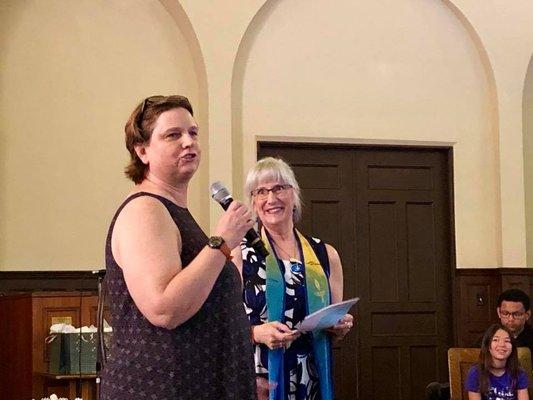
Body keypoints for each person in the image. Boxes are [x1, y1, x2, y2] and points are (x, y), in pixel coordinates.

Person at [100, 95, 256, 399]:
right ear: (142, 150)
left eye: (193, 133)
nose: (189, 142)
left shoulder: (174, 211)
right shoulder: (144, 210)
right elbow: (164, 309)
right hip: (160, 388)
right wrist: (221, 242)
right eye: (173, 135)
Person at [232, 157, 354, 400]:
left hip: (312, 376)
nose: (271, 199)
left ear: (293, 195)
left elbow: (332, 321)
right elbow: (223, 324)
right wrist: (256, 333)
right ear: (253, 202)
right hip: (260, 378)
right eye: (261, 192)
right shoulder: (240, 254)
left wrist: (339, 326)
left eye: (279, 188)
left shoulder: (325, 254)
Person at [465, 323, 529, 400]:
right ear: (487, 346)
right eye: (495, 340)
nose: (502, 344)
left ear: (512, 347)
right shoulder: (475, 372)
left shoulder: (519, 373)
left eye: (507, 341)